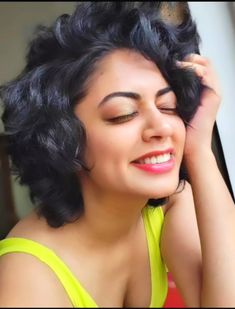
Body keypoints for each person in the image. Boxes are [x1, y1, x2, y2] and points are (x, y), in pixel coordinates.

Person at [0, 2, 235, 307]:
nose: (160, 125)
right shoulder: (26, 280)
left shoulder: (169, 206)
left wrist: (199, 150)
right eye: (123, 114)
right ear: (63, 138)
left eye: (168, 107)